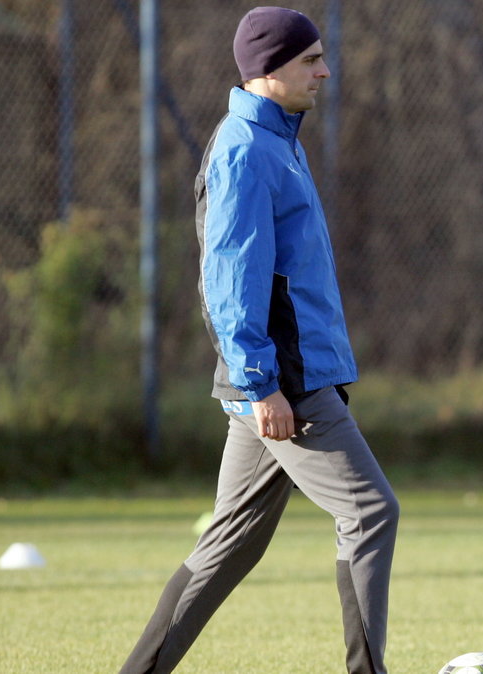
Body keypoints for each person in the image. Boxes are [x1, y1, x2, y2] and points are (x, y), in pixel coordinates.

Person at [120, 8, 399, 674]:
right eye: (312, 61)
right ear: (270, 69)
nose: (325, 72)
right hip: (286, 383)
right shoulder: (245, 150)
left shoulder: (277, 139)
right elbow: (229, 283)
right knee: (370, 512)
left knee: (230, 546)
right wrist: (261, 383)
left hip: (283, 377)